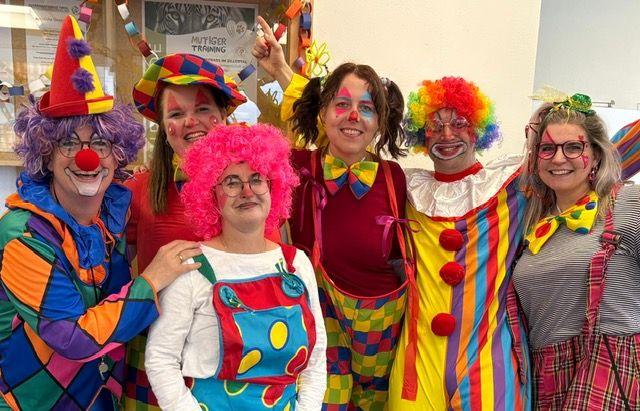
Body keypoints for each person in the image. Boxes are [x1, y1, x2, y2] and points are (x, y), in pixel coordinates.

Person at [0, 16, 200, 410]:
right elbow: (73, 339)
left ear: (117, 155)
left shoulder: (112, 217)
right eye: (68, 143)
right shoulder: (24, 234)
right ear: (46, 155)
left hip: (104, 399)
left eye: (101, 144)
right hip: (36, 403)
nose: (87, 157)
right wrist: (152, 279)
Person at [253, 17, 416, 410]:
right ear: (323, 113)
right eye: (342, 105)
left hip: (382, 326)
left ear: (380, 122)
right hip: (318, 316)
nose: (353, 116)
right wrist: (280, 70)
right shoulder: (296, 166)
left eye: (366, 108)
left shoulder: (394, 177)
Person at [144, 123, 327, 410]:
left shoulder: (296, 264)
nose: (247, 191)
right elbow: (160, 359)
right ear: (211, 196)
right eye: (231, 182)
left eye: (257, 179)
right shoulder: (192, 268)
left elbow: (316, 360)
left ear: (273, 187)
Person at [387, 77, 531, 410]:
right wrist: (284, 75)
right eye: (435, 127)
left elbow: (588, 157)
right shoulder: (405, 187)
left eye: (460, 123)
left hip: (487, 363)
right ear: (422, 136)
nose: (447, 135)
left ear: (478, 130)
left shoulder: (511, 184)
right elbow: (343, 150)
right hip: (417, 366)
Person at [124, 53, 249, 408]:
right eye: (177, 114)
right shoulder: (137, 192)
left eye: (203, 109)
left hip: (236, 352)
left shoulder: (254, 190)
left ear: (224, 115)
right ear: (164, 128)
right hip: (156, 355)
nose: (191, 122)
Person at [510, 95, 640, 410]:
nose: (558, 159)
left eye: (573, 147)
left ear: (595, 156)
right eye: (547, 149)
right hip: (544, 376)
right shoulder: (529, 222)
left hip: (613, 368)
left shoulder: (627, 203)